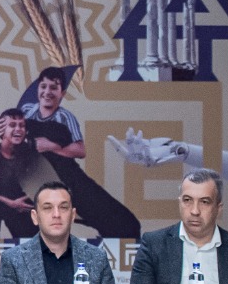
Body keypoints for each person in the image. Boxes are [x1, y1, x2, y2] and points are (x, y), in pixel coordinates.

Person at [18, 67, 141, 239]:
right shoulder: (25, 111)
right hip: (37, 178)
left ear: (62, 93)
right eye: (43, 86)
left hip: (67, 176)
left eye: (53, 87)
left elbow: (80, 150)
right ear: (38, 89)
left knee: (125, 223)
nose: (47, 92)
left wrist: (51, 146)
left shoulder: (65, 117)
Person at [127, 169, 228, 284]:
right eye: (187, 200)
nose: (195, 211)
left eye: (204, 202)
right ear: (179, 202)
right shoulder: (153, 244)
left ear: (218, 208)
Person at [0, 182, 116, 284]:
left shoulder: (97, 258)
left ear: (73, 215)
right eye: (47, 208)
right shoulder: (13, 260)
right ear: (35, 217)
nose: (56, 214)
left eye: (63, 207)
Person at [0, 108, 39, 239]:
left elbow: (36, 181)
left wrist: (23, 201)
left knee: (29, 238)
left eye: (21, 125)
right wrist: (13, 204)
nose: (18, 129)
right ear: (2, 130)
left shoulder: (29, 152)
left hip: (20, 200)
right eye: (12, 125)